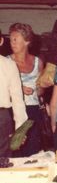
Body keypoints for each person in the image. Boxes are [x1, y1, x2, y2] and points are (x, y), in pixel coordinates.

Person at [9, 23, 44, 157]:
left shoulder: (38, 62)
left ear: (27, 41)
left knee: (33, 150)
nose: (12, 42)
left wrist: (43, 86)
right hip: (13, 111)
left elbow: (40, 92)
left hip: (33, 111)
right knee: (15, 149)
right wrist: (18, 89)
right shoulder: (6, 62)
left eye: (15, 39)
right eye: (11, 39)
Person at [0, 30, 27, 167]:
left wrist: (20, 131)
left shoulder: (10, 65)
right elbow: (18, 100)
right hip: (3, 118)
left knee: (3, 163)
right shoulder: (10, 65)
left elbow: (18, 100)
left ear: (0, 41)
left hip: (3, 121)